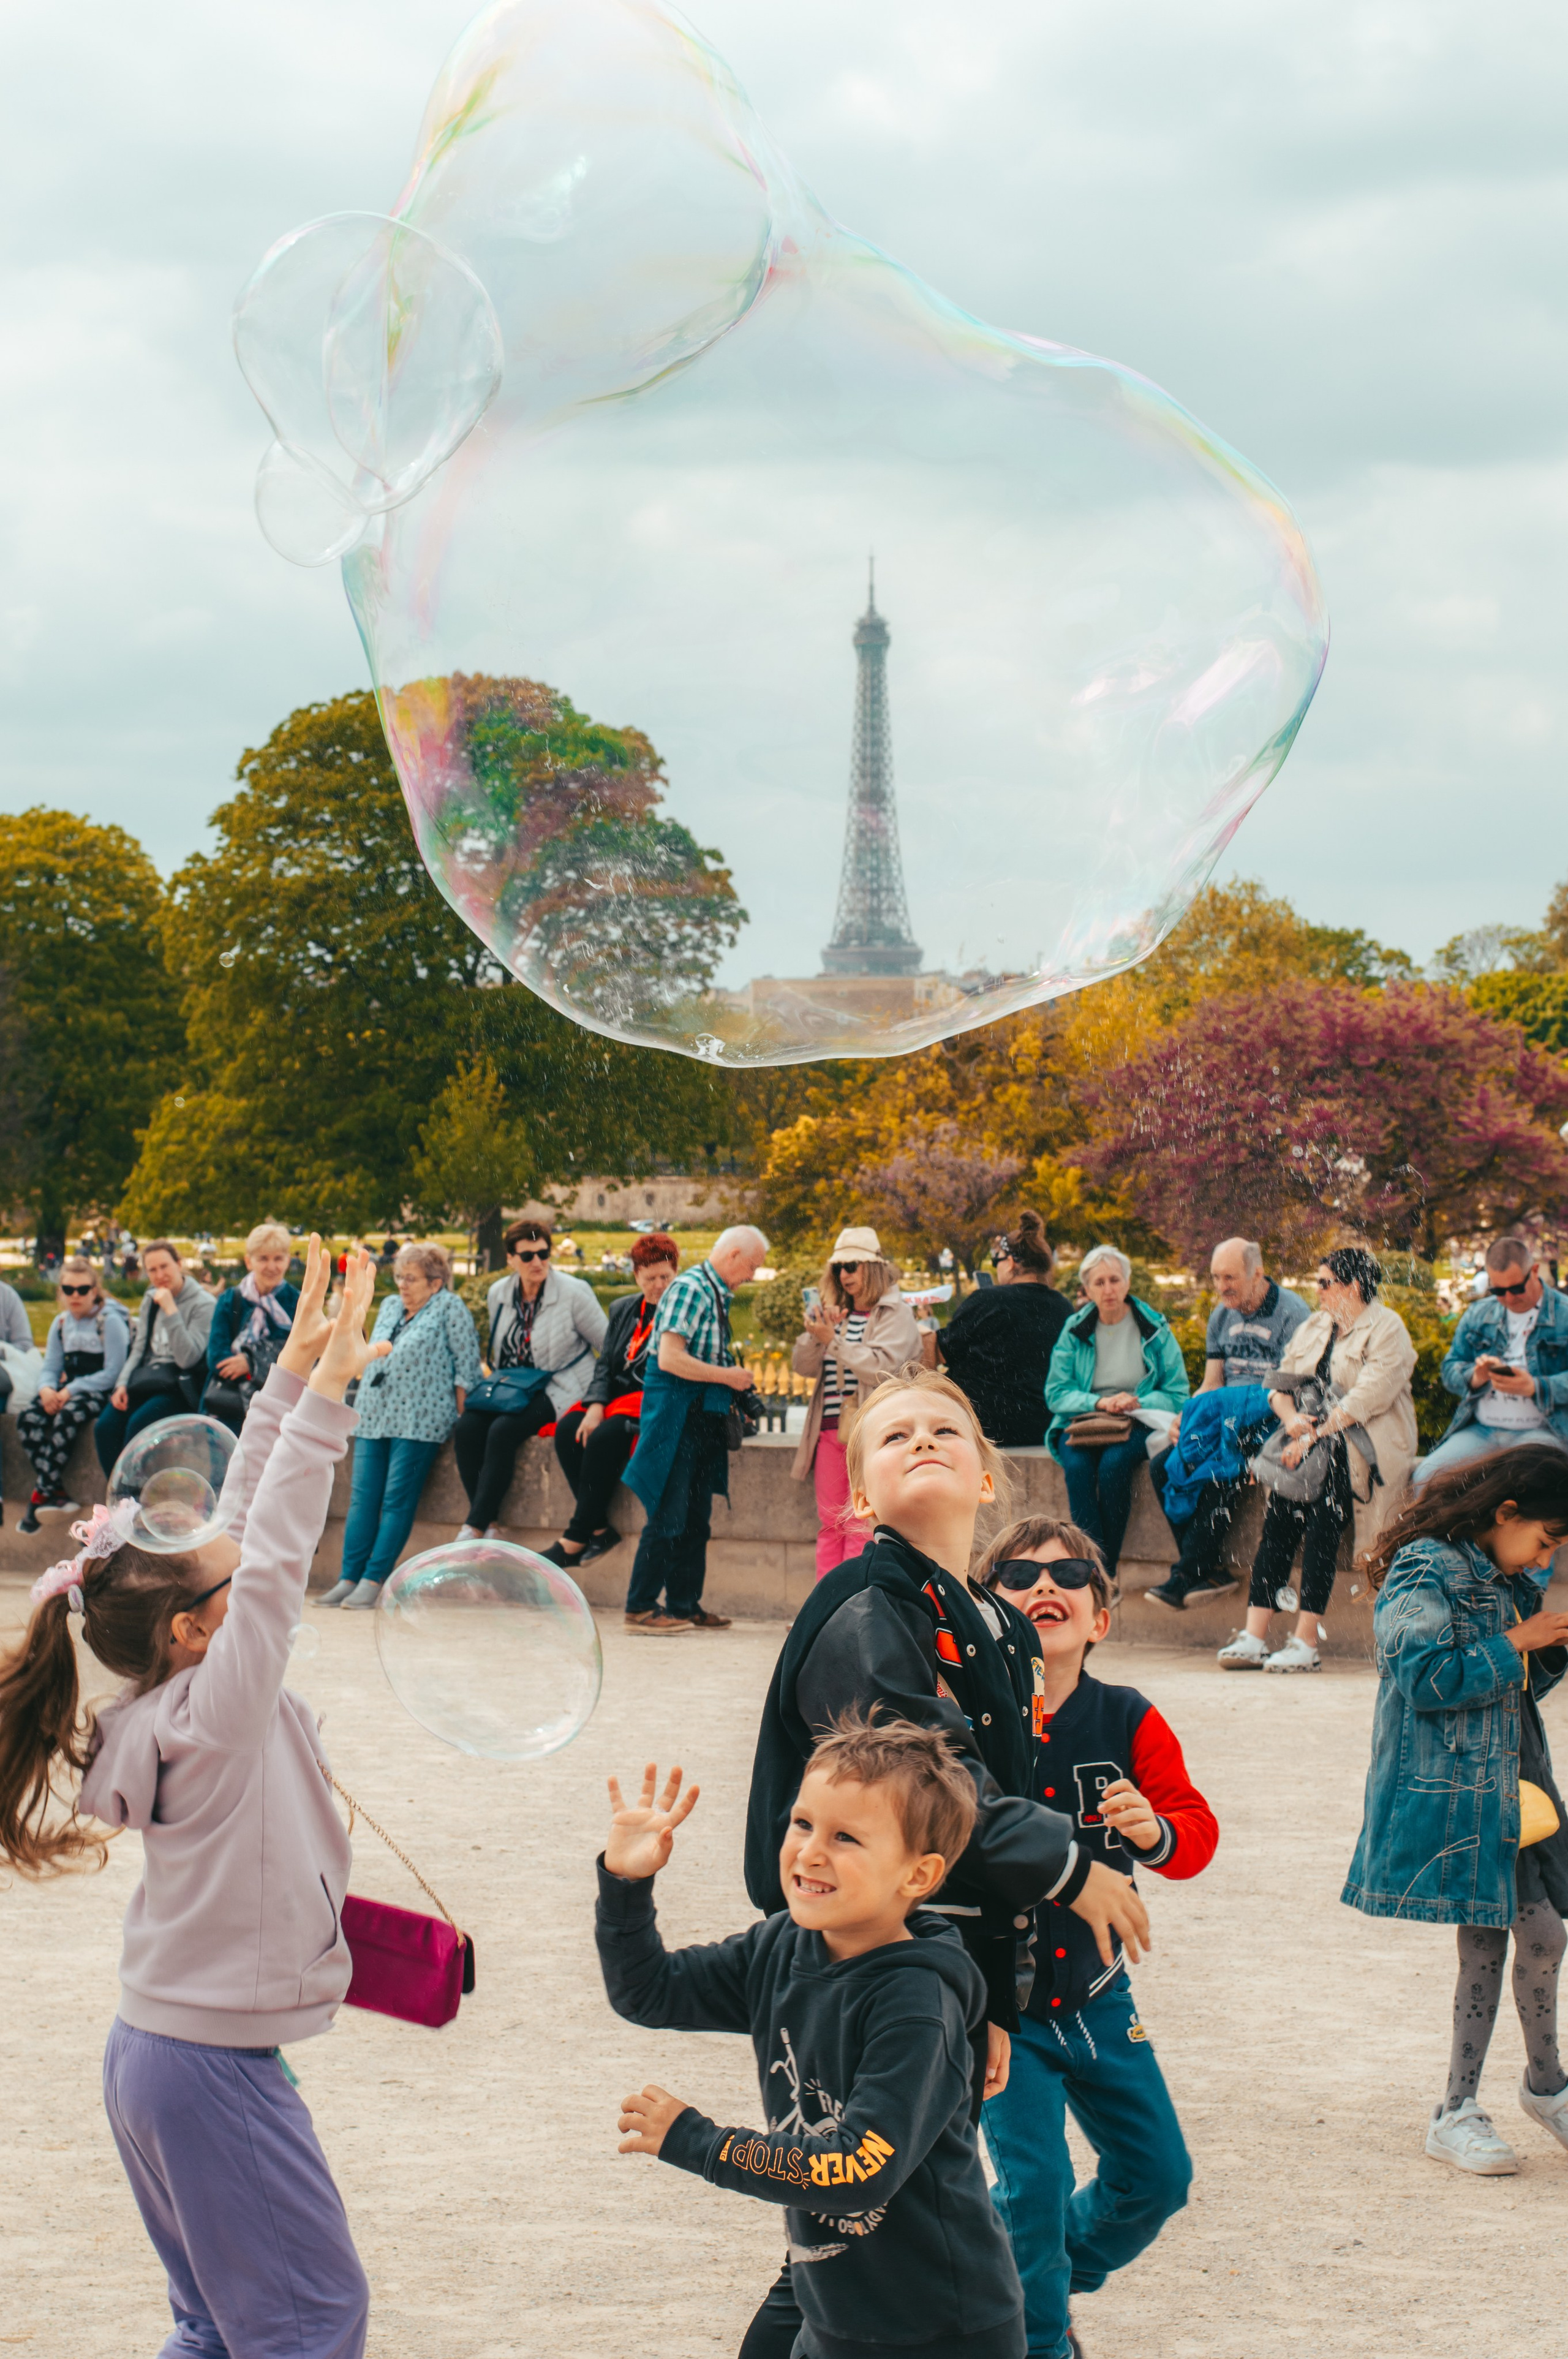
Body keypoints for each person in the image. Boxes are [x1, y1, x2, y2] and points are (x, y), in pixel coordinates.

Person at [0, 1237, 377, 2356]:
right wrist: (327, 1406)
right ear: (196, 1631)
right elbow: (275, 1556)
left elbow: (248, 1536)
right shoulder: (221, 1712)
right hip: (205, 2067)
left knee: (219, 2324)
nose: (238, 1548)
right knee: (311, 2320)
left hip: (162, 2053)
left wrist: (291, 1376)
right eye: (223, 1575)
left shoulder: (175, 1703)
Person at [742, 1366, 1152, 2359]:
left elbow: (977, 1849)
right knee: (861, 2239)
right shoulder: (867, 1611)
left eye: (945, 1431)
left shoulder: (1000, 1627)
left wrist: (997, 2004)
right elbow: (936, 1786)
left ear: (986, 1479)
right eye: (893, 1436)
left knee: (843, 2241)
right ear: (862, 1495)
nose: (922, 1441)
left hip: (926, 1964)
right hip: (851, 1964)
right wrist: (1069, 1869)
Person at [599, 1721, 1028, 2359]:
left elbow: (860, 2168)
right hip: (830, 2307)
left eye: (846, 1836)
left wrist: (698, 2140)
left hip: (939, 2330)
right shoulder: (778, 1946)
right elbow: (650, 1990)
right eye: (803, 1823)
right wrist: (625, 1885)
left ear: (918, 1873)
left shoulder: (917, 2003)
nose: (809, 1852)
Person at [978, 1514, 1217, 2358]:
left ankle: (1028, 2279)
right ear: (984, 1610)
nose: (1045, 1584)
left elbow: (1195, 1831)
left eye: (1070, 1573)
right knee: (1033, 2187)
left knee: (1158, 2178)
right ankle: (1040, 2339)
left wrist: (1153, 1830)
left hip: (1101, 1996)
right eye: (1017, 1574)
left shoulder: (1128, 1716)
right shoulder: (970, 1725)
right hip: (1004, 2013)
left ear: (1100, 1617)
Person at [1343, 1443, 1568, 2175]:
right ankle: (1456, 2110)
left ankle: (1546, 2087)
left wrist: (1551, 1648)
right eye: (1543, 1539)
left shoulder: (1499, 1575)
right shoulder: (1425, 1566)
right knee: (1489, 1943)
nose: (1543, 1559)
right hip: (1460, 1799)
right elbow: (1424, 1676)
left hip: (1508, 1793)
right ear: (1505, 1512)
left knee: (1541, 1935)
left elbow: (1510, 1688)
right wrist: (1520, 1639)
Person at [1218, 1245, 1417, 1673]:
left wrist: (1312, 1436)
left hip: (1360, 1446)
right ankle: (1254, 1635)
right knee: (1278, 1524)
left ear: (1354, 1286)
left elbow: (1367, 1397)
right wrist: (1292, 1421)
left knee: (1324, 1528)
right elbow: (1278, 1382)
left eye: (1326, 1283)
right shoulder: (1315, 1324)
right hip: (1309, 1441)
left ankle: (1306, 1641)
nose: (1319, 1291)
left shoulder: (1387, 1328)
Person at [622, 1225, 770, 1635]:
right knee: (668, 1515)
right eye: (753, 1266)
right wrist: (728, 1376)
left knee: (695, 1517)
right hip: (676, 1417)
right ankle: (639, 1607)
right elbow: (669, 1358)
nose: (753, 1275)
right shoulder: (691, 1288)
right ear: (734, 1254)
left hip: (699, 1418)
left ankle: (684, 1605)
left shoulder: (713, 1292)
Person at [1147, 1238, 1310, 1611]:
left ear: (1257, 1274)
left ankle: (1189, 1573)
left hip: (1266, 1419)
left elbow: (1296, 1390)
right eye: (1216, 1277)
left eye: (1230, 1278)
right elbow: (1212, 1382)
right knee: (1163, 1466)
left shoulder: (1292, 1314)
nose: (1222, 1287)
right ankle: (1204, 1569)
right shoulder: (1222, 1315)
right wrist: (1186, 1418)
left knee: (1224, 1471)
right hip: (1224, 1416)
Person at [318, 1242, 478, 1610]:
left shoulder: (450, 1308)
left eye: (412, 1278)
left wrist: (460, 1414)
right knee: (362, 1499)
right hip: (374, 1413)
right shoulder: (391, 1306)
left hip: (421, 1419)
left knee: (395, 1501)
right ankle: (348, 1577)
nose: (403, 1285)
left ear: (435, 1283)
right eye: (399, 1277)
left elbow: (466, 1367)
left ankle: (374, 1579)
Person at [452, 1218, 607, 1541]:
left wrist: (599, 1399)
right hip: (513, 1385)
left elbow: (608, 1347)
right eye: (527, 1256)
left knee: (503, 1430)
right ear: (511, 1259)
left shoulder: (574, 1293)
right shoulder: (499, 1293)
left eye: (543, 1253)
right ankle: (490, 1523)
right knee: (467, 1427)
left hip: (560, 1383)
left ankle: (475, 1526)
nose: (537, 1262)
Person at [1045, 1245, 1190, 1584]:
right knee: (1078, 1468)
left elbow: (1177, 1392)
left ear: (1127, 1283)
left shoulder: (1153, 1327)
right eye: (1099, 1282)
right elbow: (1056, 1392)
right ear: (1088, 1289)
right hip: (1085, 1420)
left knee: (1114, 1466)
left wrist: (1137, 1401)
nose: (1108, 1289)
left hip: (1137, 1420)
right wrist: (1100, 1403)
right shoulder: (1074, 1329)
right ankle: (1094, 1571)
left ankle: (1101, 1577)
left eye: (1115, 1280)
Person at [791, 1224, 921, 1576]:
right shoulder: (838, 1314)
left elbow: (883, 1369)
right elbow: (802, 1367)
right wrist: (815, 1334)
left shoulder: (895, 1312)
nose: (844, 1275)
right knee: (830, 1523)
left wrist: (833, 1341)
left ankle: (853, 1609)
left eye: (851, 1266)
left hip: (874, 1433)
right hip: (833, 1432)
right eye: (838, 1268)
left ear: (873, 1267)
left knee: (863, 1524)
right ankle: (824, 1611)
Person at [545, 1232, 680, 1570]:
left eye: (666, 1276)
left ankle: (575, 1538)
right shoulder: (623, 1308)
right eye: (651, 1279)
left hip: (654, 1399)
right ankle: (600, 1528)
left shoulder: (683, 1310)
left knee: (604, 1437)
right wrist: (595, 1405)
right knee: (568, 1431)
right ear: (636, 1276)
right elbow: (605, 1364)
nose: (660, 1285)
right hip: (618, 1396)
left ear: (677, 1272)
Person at [1418, 1234, 1568, 1487]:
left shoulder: (1564, 1314)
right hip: (1481, 1429)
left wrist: (1536, 1386)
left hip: (1542, 1431)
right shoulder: (1479, 1313)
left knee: (1522, 1485)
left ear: (1534, 1271)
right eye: (1498, 1290)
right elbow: (1449, 1368)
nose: (1509, 1298)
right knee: (1425, 1479)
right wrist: (1476, 1377)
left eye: (1516, 1288)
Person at [931, 1209, 1072, 1448]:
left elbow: (944, 1350)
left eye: (996, 1261)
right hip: (1047, 1425)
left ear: (1010, 1262)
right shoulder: (1064, 1307)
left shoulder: (987, 1300)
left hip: (987, 1426)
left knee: (928, 1344)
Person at [16, 1260, 132, 1531]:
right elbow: (52, 1366)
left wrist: (70, 1390)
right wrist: (46, 1389)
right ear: (61, 1292)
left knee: (67, 1418)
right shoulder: (61, 1323)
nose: (75, 1296)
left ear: (94, 1290)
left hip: (98, 1392)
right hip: (66, 1390)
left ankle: (38, 1498)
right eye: (69, 1289)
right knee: (28, 1419)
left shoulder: (110, 1322)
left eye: (82, 1289)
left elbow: (114, 1372)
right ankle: (54, 1490)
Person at [93, 1241, 216, 1478]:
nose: (159, 1275)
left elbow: (188, 1358)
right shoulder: (151, 1299)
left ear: (179, 1264)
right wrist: (122, 1384)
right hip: (148, 1380)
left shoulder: (204, 1304)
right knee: (105, 1427)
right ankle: (122, 1499)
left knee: (138, 1426)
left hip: (179, 1386)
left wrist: (171, 1310)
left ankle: (133, 1497)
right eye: (152, 1270)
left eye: (164, 1266)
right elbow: (139, 1349)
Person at [202, 1221, 300, 1435]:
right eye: (263, 1259)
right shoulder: (230, 1300)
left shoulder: (298, 1303)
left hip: (280, 1405)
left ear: (287, 1260)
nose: (272, 1266)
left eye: (278, 1258)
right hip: (230, 1406)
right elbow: (217, 1356)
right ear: (249, 1261)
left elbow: (302, 1353)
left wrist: (252, 1361)